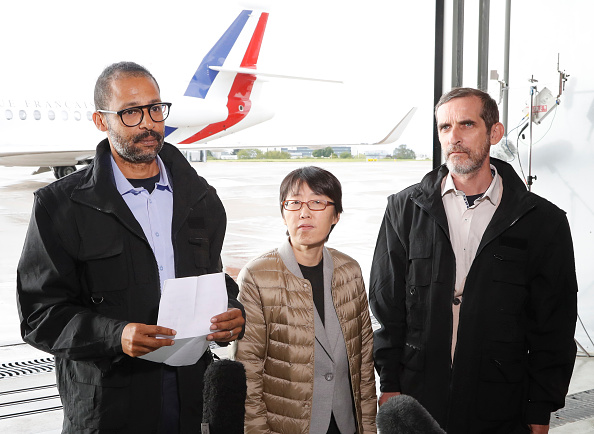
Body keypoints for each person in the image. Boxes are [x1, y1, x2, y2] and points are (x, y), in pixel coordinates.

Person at [16, 61, 245, 433]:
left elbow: (213, 279)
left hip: (189, 394)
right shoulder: (60, 206)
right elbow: (40, 316)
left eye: (155, 109)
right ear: (100, 120)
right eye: (130, 112)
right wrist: (115, 335)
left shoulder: (202, 198)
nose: (148, 123)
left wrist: (232, 311)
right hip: (108, 406)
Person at [369, 87, 578, 434]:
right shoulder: (403, 210)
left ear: (494, 132)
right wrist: (389, 385)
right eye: (445, 128)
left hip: (499, 405)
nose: (454, 137)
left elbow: (553, 329)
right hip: (420, 399)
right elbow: (386, 308)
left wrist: (539, 410)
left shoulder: (542, 221)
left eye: (466, 124)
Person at [232, 166, 377, 433]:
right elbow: (248, 370)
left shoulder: (351, 271)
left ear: (336, 215)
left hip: (345, 423)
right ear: (283, 212)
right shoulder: (257, 275)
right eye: (294, 202)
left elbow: (363, 363)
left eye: (317, 202)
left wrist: (367, 427)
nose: (304, 212)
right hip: (289, 425)